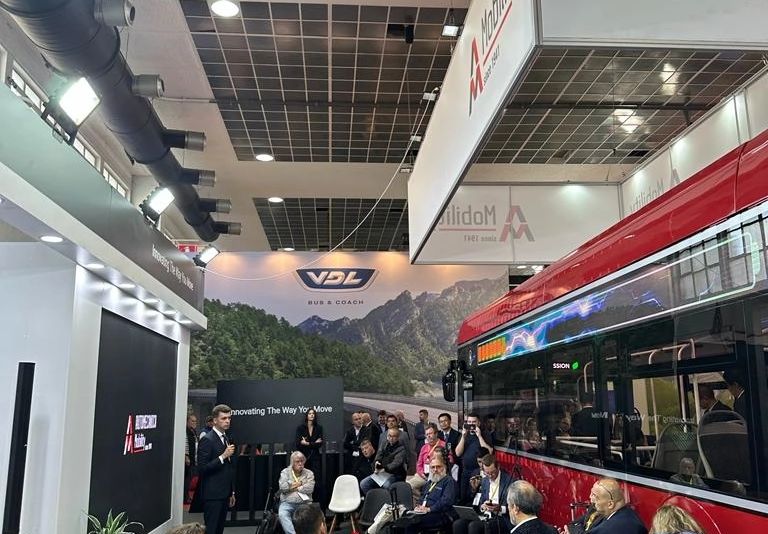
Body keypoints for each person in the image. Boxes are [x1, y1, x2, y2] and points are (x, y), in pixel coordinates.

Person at [197, 404, 236, 534]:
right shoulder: (207, 440)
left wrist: (231, 492)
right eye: (223, 418)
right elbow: (202, 468)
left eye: (229, 418)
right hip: (212, 495)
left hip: (224, 493)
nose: (227, 421)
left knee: (219, 530)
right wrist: (223, 456)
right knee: (211, 530)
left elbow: (229, 468)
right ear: (214, 420)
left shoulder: (226, 438)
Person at [453, 454, 515, 534]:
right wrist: (482, 506)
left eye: (492, 472)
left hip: (500, 517)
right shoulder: (485, 481)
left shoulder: (509, 481)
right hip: (485, 515)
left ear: (498, 467)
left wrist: (499, 508)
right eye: (487, 473)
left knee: (474, 526)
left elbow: (513, 507)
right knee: (458, 524)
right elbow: (481, 501)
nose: (490, 476)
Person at [559, 478, 647, 534]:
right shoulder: (628, 514)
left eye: (595, 496)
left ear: (610, 504)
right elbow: (572, 525)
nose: (590, 498)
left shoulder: (608, 529)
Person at [404, 451, 456, 534]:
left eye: (438, 467)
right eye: (433, 467)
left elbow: (446, 501)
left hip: (440, 513)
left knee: (412, 524)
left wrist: (429, 509)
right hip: (424, 512)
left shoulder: (448, 481)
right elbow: (422, 496)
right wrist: (419, 506)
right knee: (405, 519)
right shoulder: (430, 482)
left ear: (444, 467)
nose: (435, 470)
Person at [456, 413, 492, 503]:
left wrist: (479, 436)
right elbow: (458, 453)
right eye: (469, 422)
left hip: (478, 471)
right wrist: (463, 437)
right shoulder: (464, 434)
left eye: (474, 422)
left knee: (475, 497)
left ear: (478, 423)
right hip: (465, 471)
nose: (471, 424)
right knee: (463, 497)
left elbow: (489, 452)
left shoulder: (485, 434)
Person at [278, 451, 315, 534]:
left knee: (308, 517)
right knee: (282, 514)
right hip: (287, 502)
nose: (300, 463)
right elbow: (283, 488)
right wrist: (301, 483)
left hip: (304, 503)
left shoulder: (309, 473)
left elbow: (310, 488)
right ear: (292, 463)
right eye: (297, 461)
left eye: (302, 461)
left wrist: (293, 486)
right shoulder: (285, 472)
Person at [360, 427, 406, 493]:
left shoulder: (401, 449)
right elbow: (379, 455)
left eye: (394, 436)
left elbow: (395, 464)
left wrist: (384, 468)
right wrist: (376, 465)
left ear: (398, 437)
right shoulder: (384, 443)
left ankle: (386, 499)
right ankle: (374, 497)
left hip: (395, 473)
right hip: (382, 472)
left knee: (386, 485)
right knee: (364, 484)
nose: (391, 438)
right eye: (389, 436)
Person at [407, 423, 445, 495]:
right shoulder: (424, 447)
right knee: (407, 485)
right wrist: (421, 473)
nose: (428, 436)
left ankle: (424, 497)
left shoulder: (444, 445)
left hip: (437, 474)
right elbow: (419, 464)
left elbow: (449, 462)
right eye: (427, 434)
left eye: (430, 433)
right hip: (423, 475)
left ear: (436, 434)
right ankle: (422, 497)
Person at [296, 408, 324, 478]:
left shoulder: (319, 428)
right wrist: (314, 443)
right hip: (304, 457)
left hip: (315, 457)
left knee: (316, 477)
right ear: (307, 415)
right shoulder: (301, 428)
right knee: (304, 477)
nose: (312, 415)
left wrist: (307, 443)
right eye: (310, 413)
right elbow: (298, 443)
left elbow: (319, 444)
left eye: (313, 413)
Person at [184, 414, 199, 504]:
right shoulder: (185, 431)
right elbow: (185, 445)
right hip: (187, 460)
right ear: (187, 422)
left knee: (189, 479)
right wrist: (186, 457)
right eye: (192, 421)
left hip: (193, 460)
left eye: (195, 421)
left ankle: (186, 496)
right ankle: (185, 498)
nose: (194, 423)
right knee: (186, 479)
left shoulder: (193, 431)